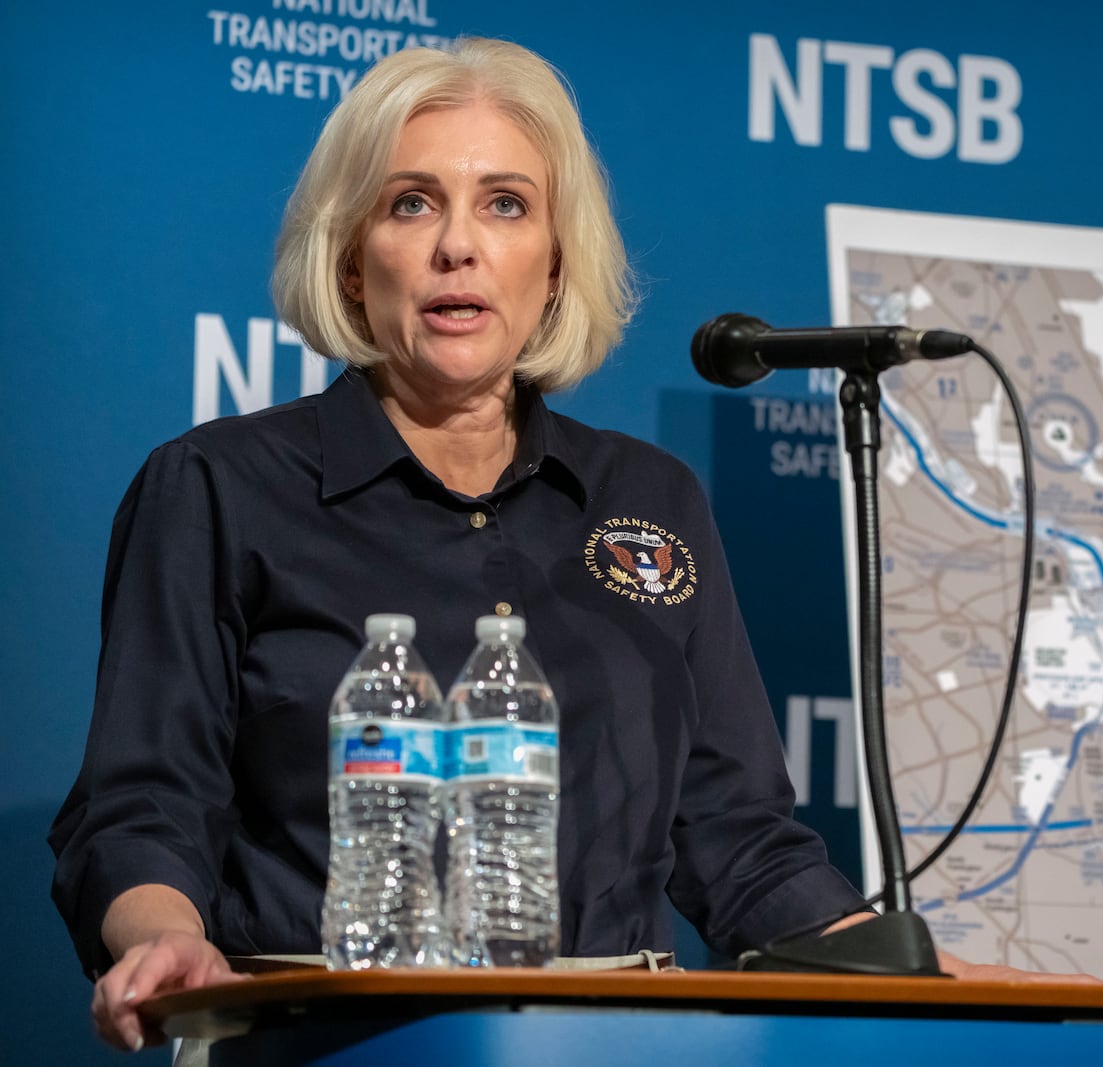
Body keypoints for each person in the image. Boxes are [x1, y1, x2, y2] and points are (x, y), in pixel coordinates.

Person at [50, 37, 881, 1053]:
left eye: (506, 203)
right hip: (330, 1037)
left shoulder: (649, 499)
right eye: (410, 202)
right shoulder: (219, 487)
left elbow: (736, 835)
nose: (458, 246)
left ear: (557, 260)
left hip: (618, 1041)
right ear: (352, 260)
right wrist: (166, 934)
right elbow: (142, 800)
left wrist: (896, 964)